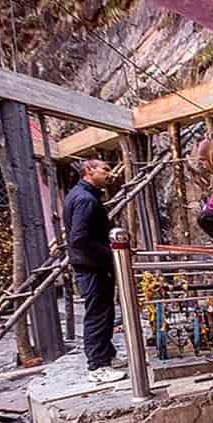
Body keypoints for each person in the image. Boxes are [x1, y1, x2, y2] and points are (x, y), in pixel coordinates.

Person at [63, 159, 127, 384]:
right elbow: (79, 239)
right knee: (97, 315)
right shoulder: (85, 200)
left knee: (104, 312)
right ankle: (97, 366)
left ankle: (106, 355)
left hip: (91, 264)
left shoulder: (83, 195)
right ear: (89, 171)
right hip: (92, 267)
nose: (110, 174)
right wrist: (112, 255)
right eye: (105, 170)